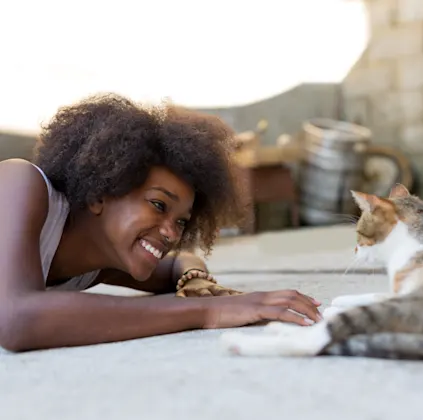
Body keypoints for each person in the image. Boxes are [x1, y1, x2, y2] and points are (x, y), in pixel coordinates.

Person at [0, 93, 322, 352]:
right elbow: (17, 319)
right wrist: (207, 312)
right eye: (158, 204)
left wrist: (195, 281)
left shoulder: (102, 262)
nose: (170, 232)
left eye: (181, 222)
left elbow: (178, 264)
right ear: (100, 192)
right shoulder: (20, 184)